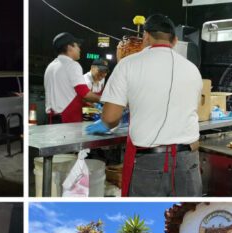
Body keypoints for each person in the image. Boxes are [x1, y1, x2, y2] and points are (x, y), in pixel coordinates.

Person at [86, 14, 203, 197]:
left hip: (150, 164)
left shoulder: (128, 64)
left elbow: (110, 118)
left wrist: (103, 124)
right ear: (175, 40)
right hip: (188, 162)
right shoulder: (193, 69)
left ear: (146, 37)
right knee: (184, 218)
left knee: (146, 219)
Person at [44, 32, 101, 124]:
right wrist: (105, 100)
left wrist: (89, 104)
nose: (79, 49)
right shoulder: (72, 65)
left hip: (53, 119)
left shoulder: (50, 66)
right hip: (68, 120)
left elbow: (66, 93)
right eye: (77, 46)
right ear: (69, 47)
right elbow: (84, 93)